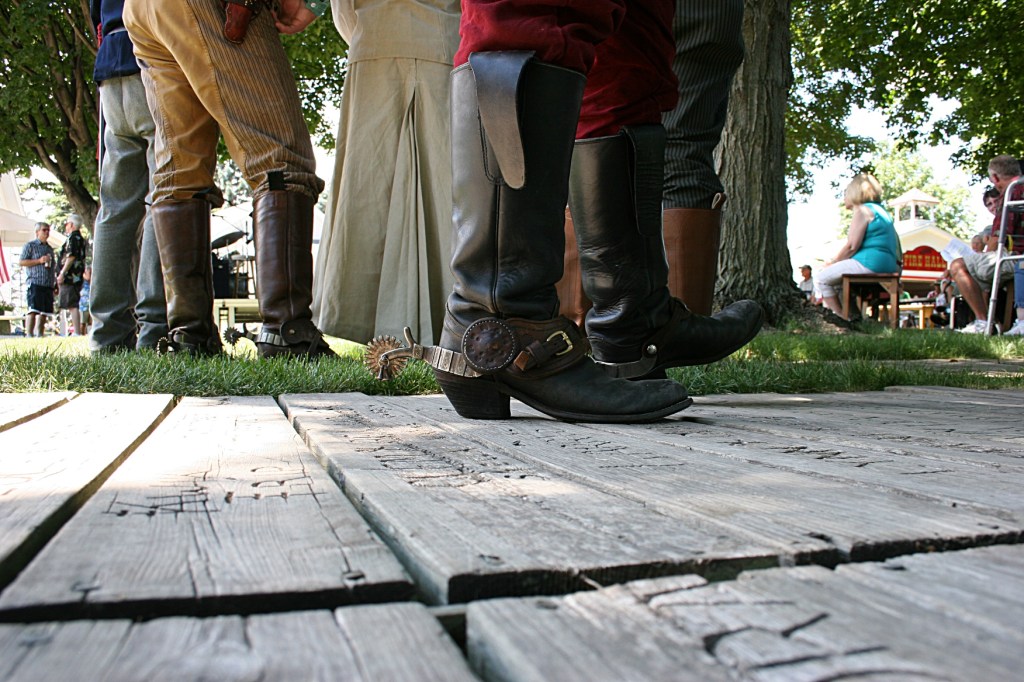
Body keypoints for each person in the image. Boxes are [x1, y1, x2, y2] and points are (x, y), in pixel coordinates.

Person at [388, 2, 763, 424]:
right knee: (531, 17)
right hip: (498, 337)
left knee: (629, 67)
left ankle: (634, 321)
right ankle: (498, 329)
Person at [123, 0, 335, 357]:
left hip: (142, 10)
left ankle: (190, 337)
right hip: (218, 7)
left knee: (180, 169)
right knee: (281, 158)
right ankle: (287, 334)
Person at [312, 0, 459, 346]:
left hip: (372, 40)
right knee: (445, 187)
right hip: (444, 43)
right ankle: (455, 316)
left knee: (369, 187)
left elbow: (343, 10)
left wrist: (370, 33)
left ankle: (362, 314)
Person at [88, 0, 169, 354]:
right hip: (152, 53)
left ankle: (106, 334)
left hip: (111, 63)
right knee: (162, 196)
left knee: (114, 208)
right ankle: (154, 326)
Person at [948, 155, 1023, 334]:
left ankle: (984, 322)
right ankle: (990, 322)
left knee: (958, 266)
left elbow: (999, 237)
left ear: (995, 177)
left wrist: (986, 251)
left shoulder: (1012, 191)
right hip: (1017, 256)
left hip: (1014, 257)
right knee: (977, 267)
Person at [813, 172, 901, 321]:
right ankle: (854, 318)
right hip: (889, 263)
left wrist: (832, 263)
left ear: (855, 193)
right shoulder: (881, 211)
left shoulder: (862, 210)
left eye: (846, 194)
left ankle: (840, 318)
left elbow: (852, 246)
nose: (844, 198)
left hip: (870, 262)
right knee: (836, 281)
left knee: (821, 278)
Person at [18, 222, 57, 337]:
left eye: (48, 230)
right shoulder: (30, 246)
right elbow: (22, 262)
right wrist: (39, 261)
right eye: (44, 230)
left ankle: (40, 334)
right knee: (33, 309)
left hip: (48, 283)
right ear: (37, 232)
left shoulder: (49, 248)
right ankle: (29, 334)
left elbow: (53, 267)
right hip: (35, 281)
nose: (47, 232)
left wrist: (55, 283)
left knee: (44, 311)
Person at [56, 214, 88, 336]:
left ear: (71, 224)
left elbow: (71, 257)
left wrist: (62, 273)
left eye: (67, 223)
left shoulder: (72, 238)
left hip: (71, 276)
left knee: (72, 304)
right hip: (77, 275)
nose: (66, 226)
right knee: (73, 303)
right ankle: (77, 331)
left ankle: (77, 332)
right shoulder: (80, 238)